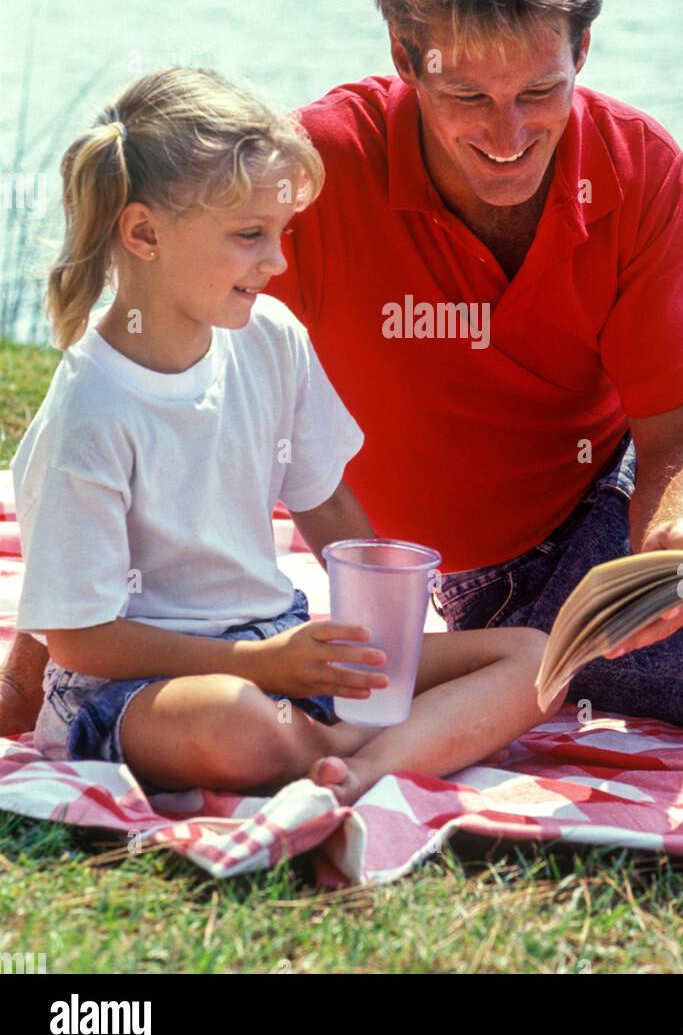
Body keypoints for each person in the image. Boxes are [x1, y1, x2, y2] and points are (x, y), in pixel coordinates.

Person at [4, 0, 683, 743]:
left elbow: (678, 425)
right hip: (522, 589)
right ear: (404, 55)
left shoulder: (637, 162)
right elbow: (130, 347)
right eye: (467, 99)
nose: (507, 138)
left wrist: (674, 533)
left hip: (635, 495)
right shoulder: (315, 176)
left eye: (540, 92)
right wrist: (39, 650)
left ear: (583, 51)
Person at [2, 67, 565, 803]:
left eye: (279, 234)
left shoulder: (270, 338)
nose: (276, 262)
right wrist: (263, 667)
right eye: (248, 236)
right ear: (143, 232)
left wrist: (379, 646)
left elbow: (324, 503)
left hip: (280, 644)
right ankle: (381, 743)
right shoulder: (93, 411)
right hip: (139, 685)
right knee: (240, 725)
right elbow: (80, 641)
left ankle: (352, 764)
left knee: (537, 657)